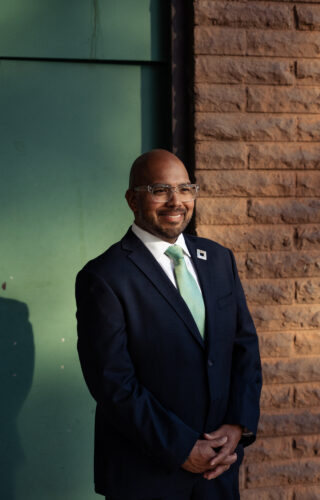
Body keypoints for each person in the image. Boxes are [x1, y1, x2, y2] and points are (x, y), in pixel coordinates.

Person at [75, 149, 262, 500]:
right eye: (160, 189)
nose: (176, 201)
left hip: (217, 472)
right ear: (133, 199)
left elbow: (244, 348)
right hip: (147, 476)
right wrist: (180, 448)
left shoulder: (219, 259)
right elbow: (113, 383)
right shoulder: (104, 277)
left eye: (185, 189)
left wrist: (237, 425)